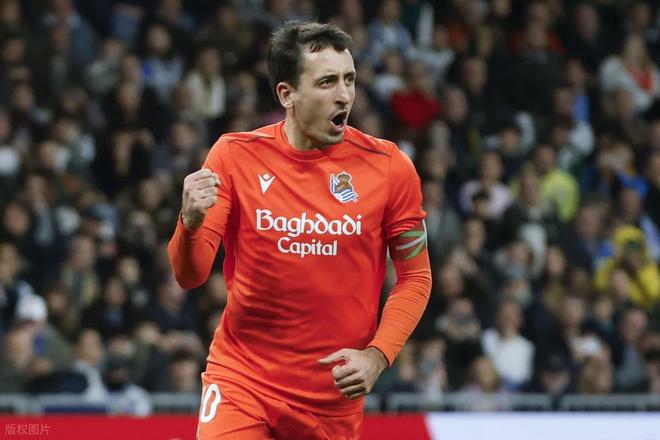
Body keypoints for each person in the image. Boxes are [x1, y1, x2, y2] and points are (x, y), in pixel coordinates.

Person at [168, 21, 432, 439]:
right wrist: (189, 223)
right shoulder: (234, 156)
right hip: (243, 381)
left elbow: (416, 277)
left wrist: (377, 356)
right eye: (327, 82)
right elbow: (190, 275)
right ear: (286, 94)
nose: (344, 95)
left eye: (349, 79)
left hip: (331, 401)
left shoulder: (390, 169)